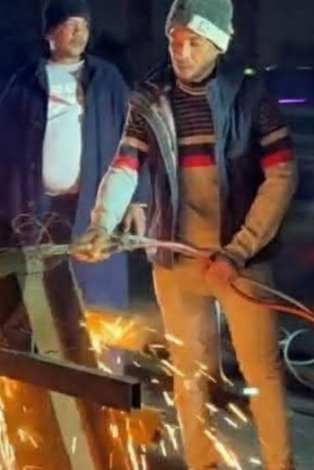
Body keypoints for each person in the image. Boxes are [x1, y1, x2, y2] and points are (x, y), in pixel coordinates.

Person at [76, 0, 297, 469]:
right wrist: (101, 224)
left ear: (218, 44)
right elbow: (125, 165)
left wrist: (239, 251)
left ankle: (280, 464)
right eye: (175, 41)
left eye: (193, 42)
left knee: (262, 371)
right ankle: (202, 463)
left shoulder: (250, 95)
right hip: (176, 260)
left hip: (242, 260)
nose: (181, 52)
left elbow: (282, 176)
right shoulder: (150, 97)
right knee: (189, 373)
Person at [0, 0, 144, 365]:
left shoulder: (107, 80)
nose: (79, 32)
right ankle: (43, 372)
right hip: (37, 206)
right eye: (70, 24)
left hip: (92, 207)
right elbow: (0, 146)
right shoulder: (26, 83)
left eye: (84, 25)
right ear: (49, 32)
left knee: (95, 294)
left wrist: (137, 199)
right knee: (36, 291)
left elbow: (134, 138)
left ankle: (104, 375)